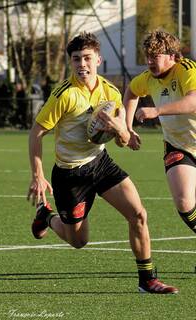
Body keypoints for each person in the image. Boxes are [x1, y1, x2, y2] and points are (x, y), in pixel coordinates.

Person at [27, 31, 178, 294]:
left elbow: (121, 141)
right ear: (70, 63)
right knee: (78, 240)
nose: (82, 64)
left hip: (100, 162)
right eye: (76, 59)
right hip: (70, 174)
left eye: (87, 58)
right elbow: (36, 132)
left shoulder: (110, 92)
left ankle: (147, 279)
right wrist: (38, 175)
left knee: (139, 214)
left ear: (98, 59)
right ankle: (46, 216)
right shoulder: (64, 94)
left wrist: (121, 132)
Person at [123, 29, 196, 241]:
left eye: (155, 57)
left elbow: (193, 102)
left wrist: (157, 111)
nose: (150, 62)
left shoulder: (187, 70)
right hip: (178, 146)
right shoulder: (148, 78)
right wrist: (128, 128)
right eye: (147, 57)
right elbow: (131, 92)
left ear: (172, 55)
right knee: (184, 202)